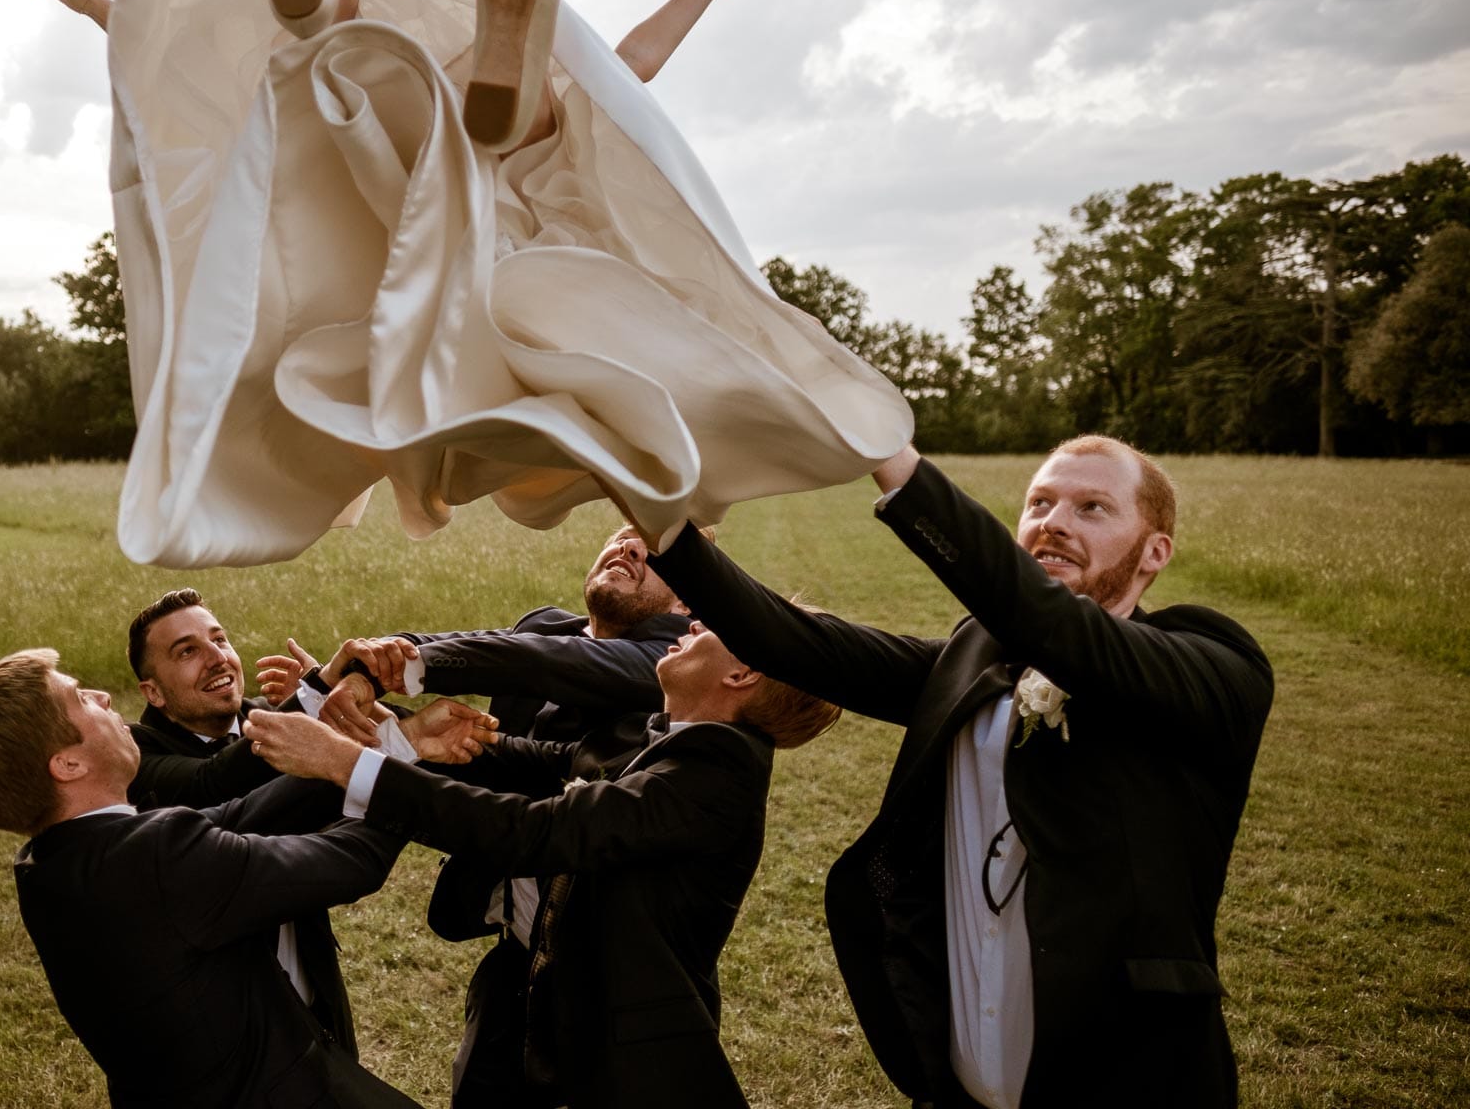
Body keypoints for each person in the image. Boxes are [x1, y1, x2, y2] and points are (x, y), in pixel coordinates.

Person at [15, 0, 912, 569]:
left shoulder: (467, 419)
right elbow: (628, 70)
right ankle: (483, 78)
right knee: (481, 138)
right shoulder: (476, 427)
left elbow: (627, 71)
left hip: (436, 226)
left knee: (362, 91)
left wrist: (104, 6)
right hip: (489, 253)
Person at [641, 436, 1276, 1108]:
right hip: (957, 1087)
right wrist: (662, 524)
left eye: (1092, 507)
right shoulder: (977, 655)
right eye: (1039, 502)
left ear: (1155, 552)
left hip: (1130, 1083)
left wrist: (890, 457)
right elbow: (795, 642)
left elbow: (1059, 629)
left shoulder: (1215, 663)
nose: (1053, 521)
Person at [243, 621, 842, 1108]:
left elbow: (537, 830)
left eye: (713, 623)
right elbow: (548, 762)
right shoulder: (672, 734)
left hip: (617, 1042)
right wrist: (409, 736)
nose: (691, 621)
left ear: (741, 674)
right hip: (525, 984)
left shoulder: (717, 780)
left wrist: (346, 764)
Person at [254, 522, 697, 1106]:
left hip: (611, 970)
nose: (630, 546)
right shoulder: (543, 625)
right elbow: (487, 733)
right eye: (621, 533)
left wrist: (398, 683)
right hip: (515, 949)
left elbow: (538, 679)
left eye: (655, 550)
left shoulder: (668, 667)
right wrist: (375, 681)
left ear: (691, 599)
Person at [0, 647, 489, 1108]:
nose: (102, 696)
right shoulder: (154, 857)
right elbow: (350, 863)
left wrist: (400, 742)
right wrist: (389, 772)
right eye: (80, 699)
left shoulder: (51, 863)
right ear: (68, 765)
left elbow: (240, 817)